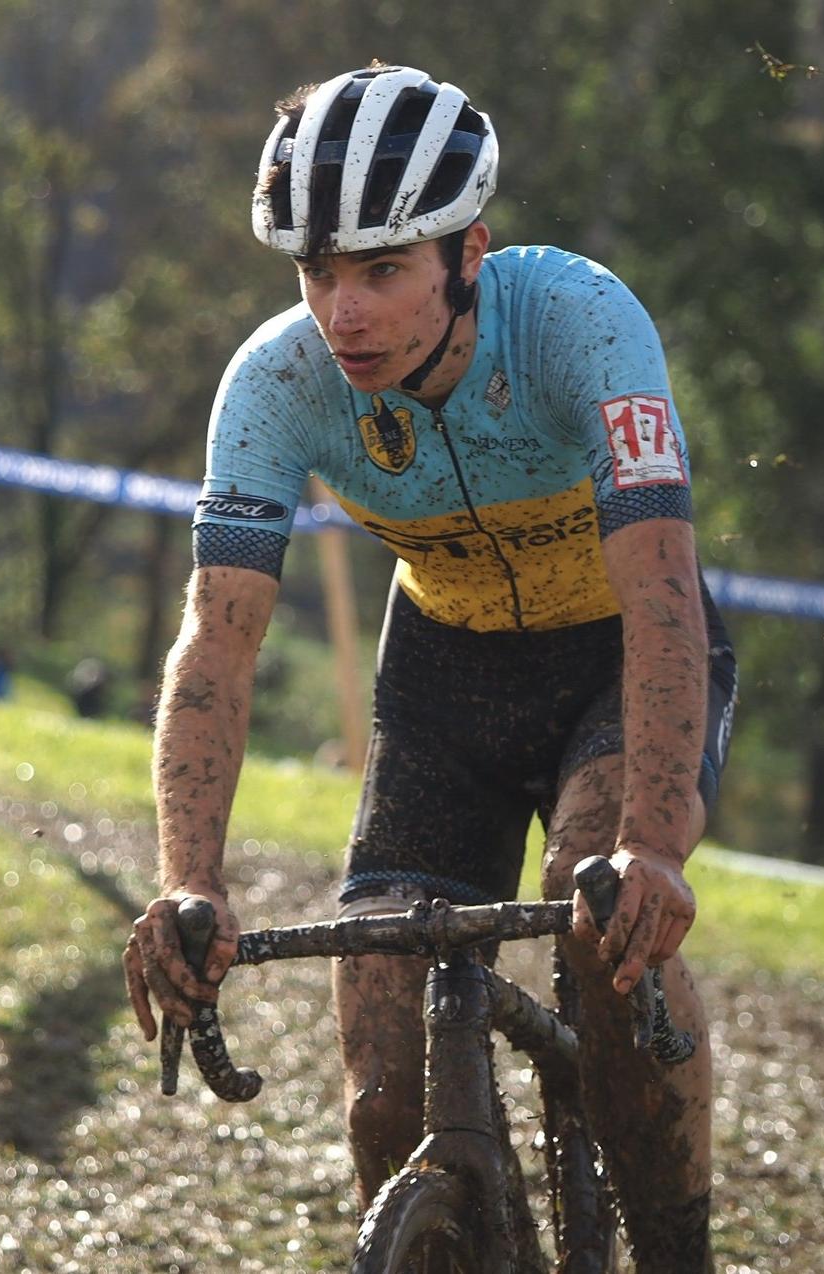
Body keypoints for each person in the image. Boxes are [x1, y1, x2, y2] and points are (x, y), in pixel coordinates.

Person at [122, 65, 738, 1269]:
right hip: (443, 678)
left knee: (595, 912)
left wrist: (654, 842)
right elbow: (217, 640)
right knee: (379, 1080)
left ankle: (674, 1249)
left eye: (380, 271)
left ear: (469, 253)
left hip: (612, 656)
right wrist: (187, 879)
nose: (341, 314)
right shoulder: (275, 381)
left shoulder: (580, 319)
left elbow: (661, 590)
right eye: (316, 275)